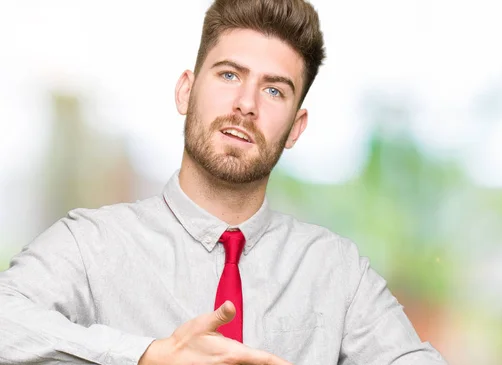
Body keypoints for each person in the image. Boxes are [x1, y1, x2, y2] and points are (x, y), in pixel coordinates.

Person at [0, 0, 448, 364]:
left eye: (275, 90)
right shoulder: (90, 244)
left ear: (296, 127)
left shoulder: (337, 272)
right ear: (185, 91)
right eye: (229, 75)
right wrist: (146, 356)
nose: (246, 104)